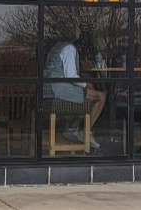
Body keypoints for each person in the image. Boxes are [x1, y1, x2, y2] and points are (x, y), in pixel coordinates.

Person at [43, 24, 106, 152]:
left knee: (86, 95)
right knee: (100, 96)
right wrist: (86, 84)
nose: (79, 30)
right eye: (77, 28)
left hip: (47, 92)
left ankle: (73, 129)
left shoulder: (56, 47)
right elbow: (71, 76)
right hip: (59, 91)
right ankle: (86, 133)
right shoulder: (69, 48)